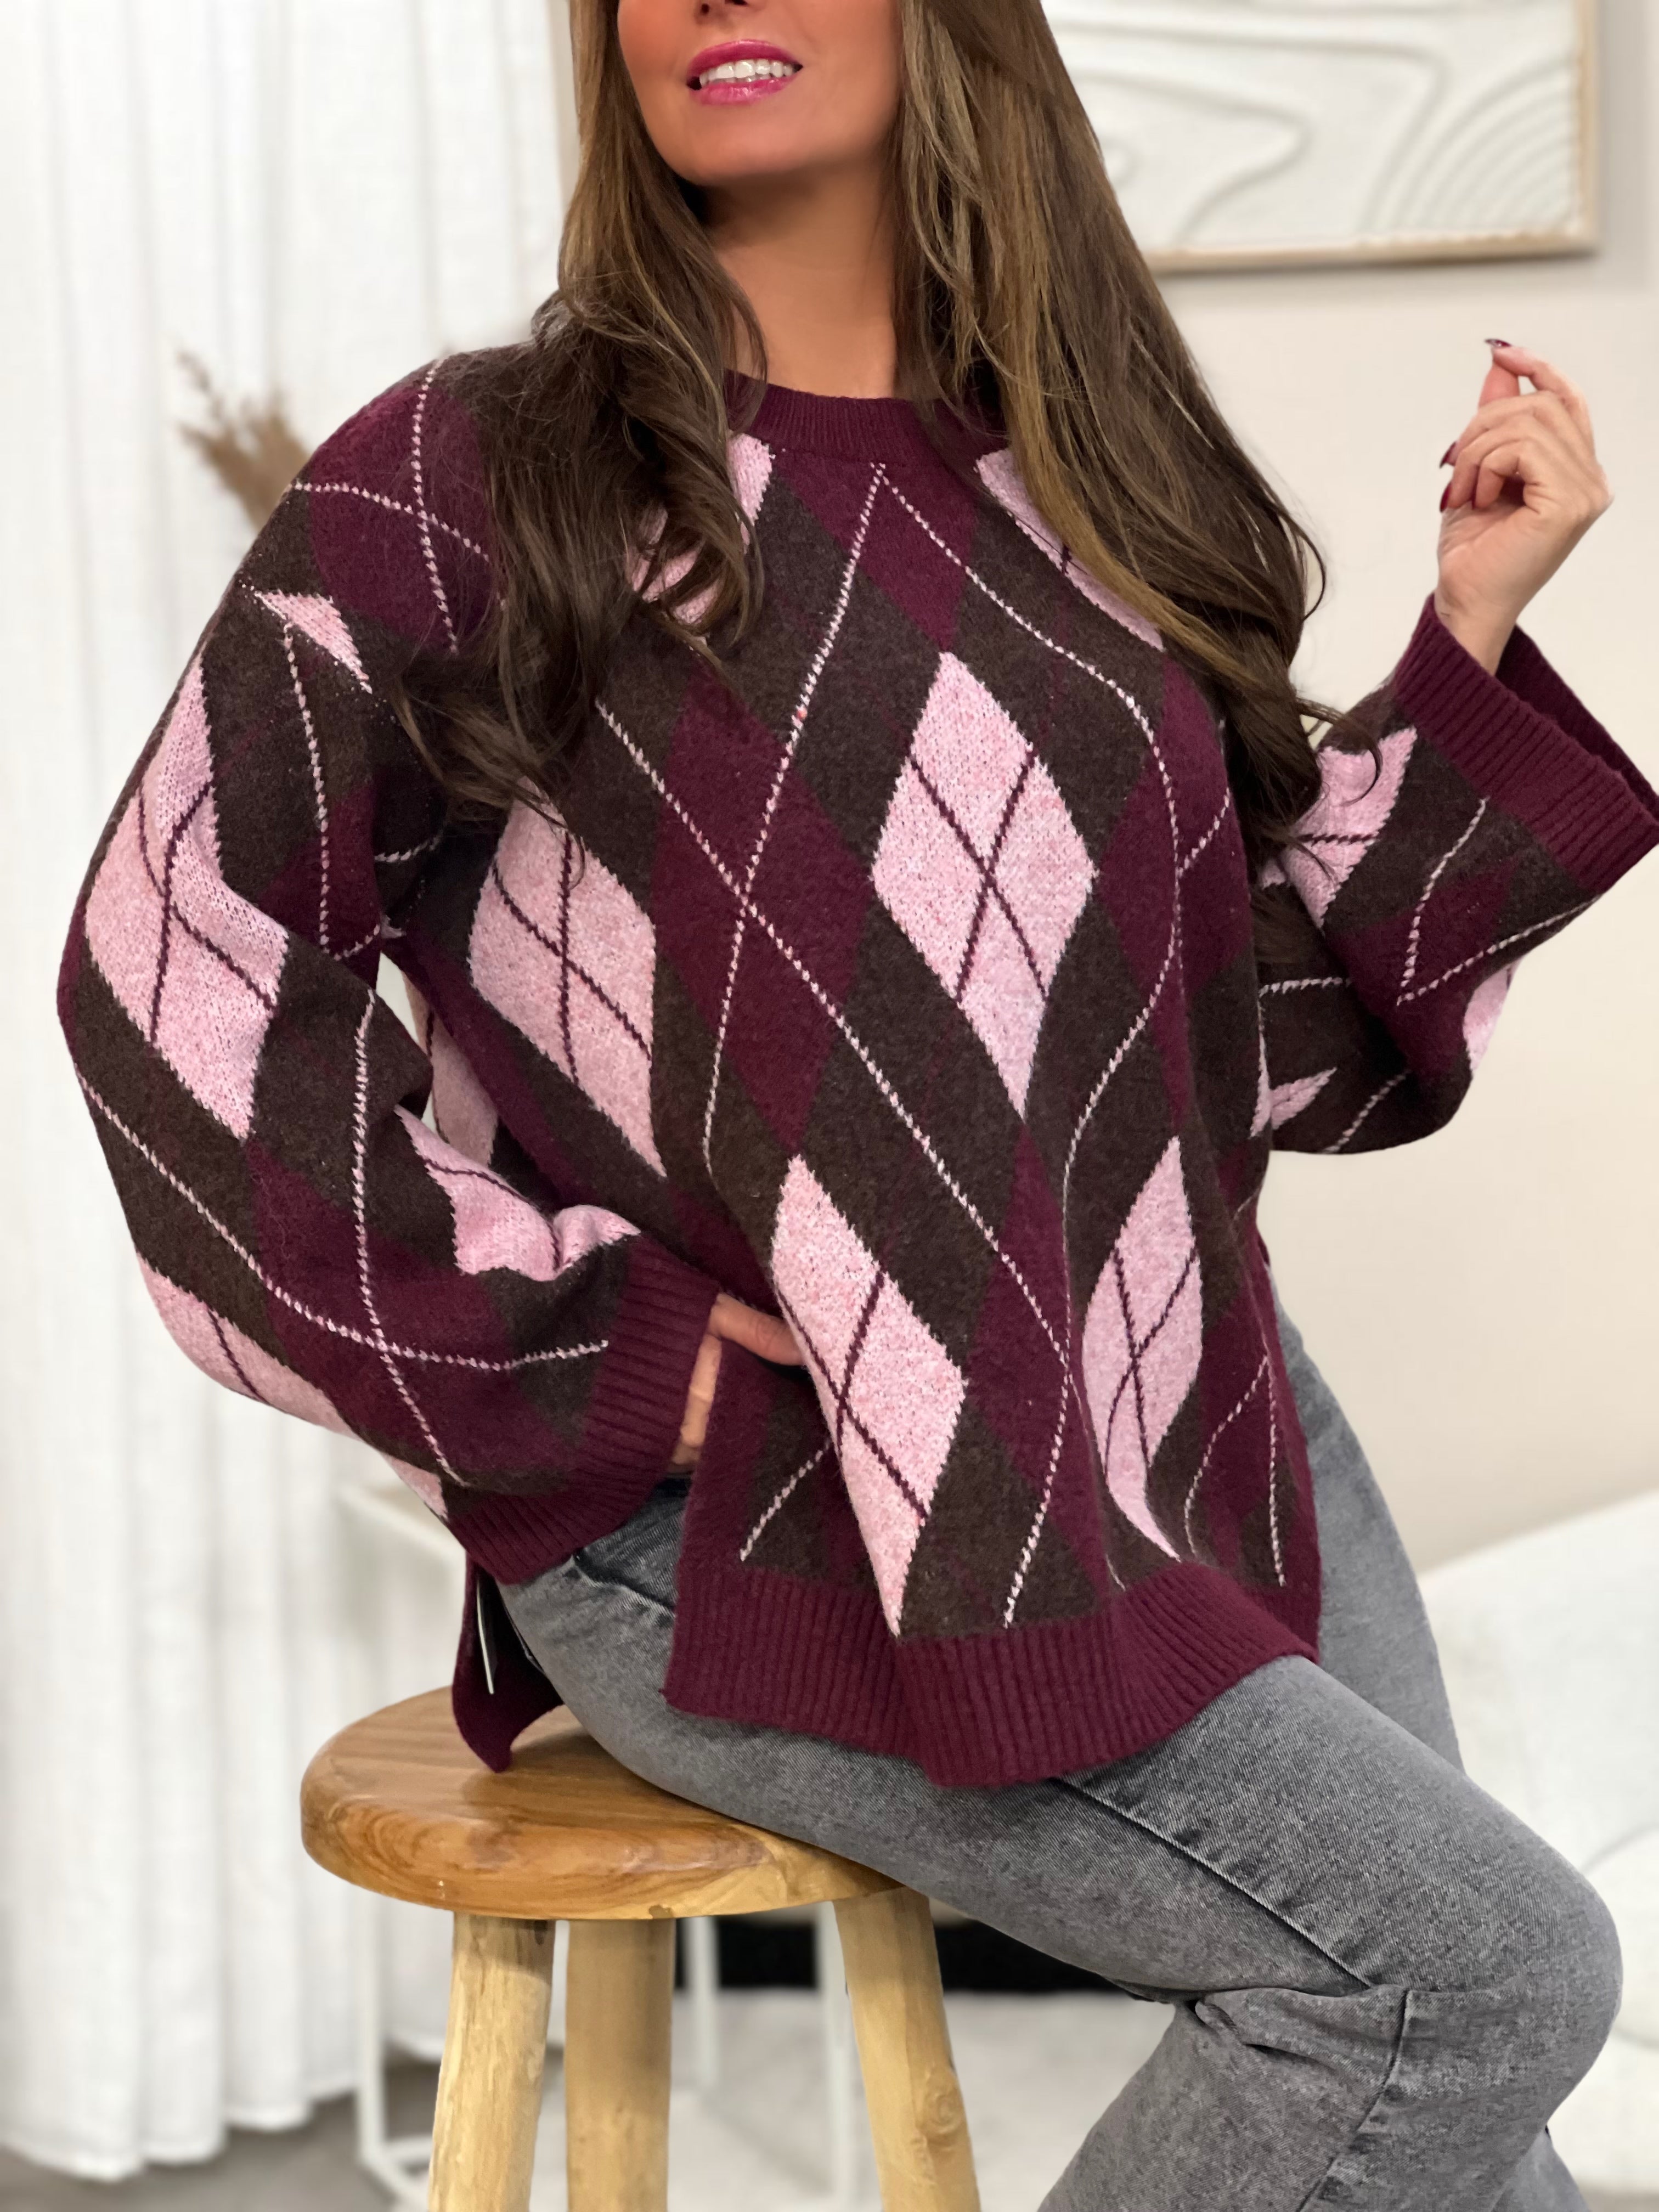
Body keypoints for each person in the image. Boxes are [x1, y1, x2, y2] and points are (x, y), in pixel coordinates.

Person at [58, 2, 1658, 2203]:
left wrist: (1465, 642)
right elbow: (175, 971)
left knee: (1470, 2135)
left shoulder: (1087, 482)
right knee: (1463, 1982)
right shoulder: (476, 476)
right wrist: (605, 1355)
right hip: (760, 1504)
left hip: (1170, 1394)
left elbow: (1230, 1042)